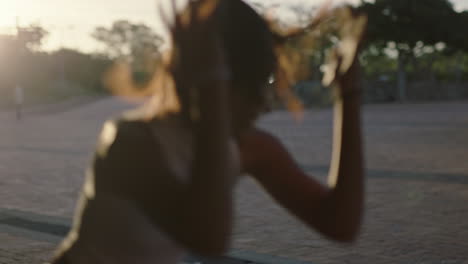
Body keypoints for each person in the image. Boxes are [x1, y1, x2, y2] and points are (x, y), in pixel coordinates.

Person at [50, 0, 364, 263]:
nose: (265, 104)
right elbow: (208, 237)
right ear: (207, 75)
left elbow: (339, 223)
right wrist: (212, 88)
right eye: (253, 86)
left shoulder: (247, 147)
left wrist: (348, 94)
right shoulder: (129, 141)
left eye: (267, 83)